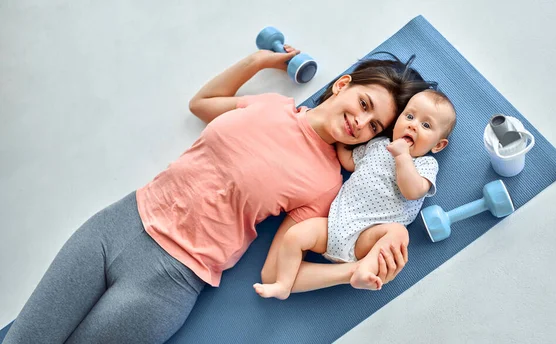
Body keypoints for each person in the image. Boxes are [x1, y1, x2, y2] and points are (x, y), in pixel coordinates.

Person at [4, 46, 426, 344]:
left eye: (374, 127)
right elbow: (201, 103)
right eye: (365, 104)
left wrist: (349, 274)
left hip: (169, 281)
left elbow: (277, 276)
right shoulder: (271, 105)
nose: (362, 123)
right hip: (116, 227)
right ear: (343, 85)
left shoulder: (325, 182)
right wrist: (260, 61)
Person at [254, 89, 456, 300]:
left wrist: (403, 157)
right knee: (294, 236)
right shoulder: (378, 145)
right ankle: (283, 285)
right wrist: (340, 142)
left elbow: (413, 191)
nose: (413, 125)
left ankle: (363, 270)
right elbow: (351, 162)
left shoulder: (424, 164)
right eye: (409, 116)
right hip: (334, 224)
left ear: (438, 145)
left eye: (426, 125)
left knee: (398, 233)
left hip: (367, 237)